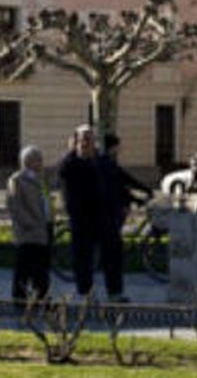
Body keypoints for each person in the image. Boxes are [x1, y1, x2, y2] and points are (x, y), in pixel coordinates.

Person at [57, 124, 117, 299]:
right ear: (76, 141)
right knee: (83, 257)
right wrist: (72, 152)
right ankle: (85, 291)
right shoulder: (70, 162)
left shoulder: (101, 160)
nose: (87, 143)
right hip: (81, 218)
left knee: (111, 255)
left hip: (103, 216)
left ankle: (114, 291)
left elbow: (113, 180)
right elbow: (62, 173)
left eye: (90, 139)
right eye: (83, 139)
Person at [96, 134, 153, 302]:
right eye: (118, 146)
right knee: (113, 256)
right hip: (109, 216)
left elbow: (124, 181)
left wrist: (141, 193)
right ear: (113, 147)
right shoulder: (106, 164)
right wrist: (139, 196)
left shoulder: (107, 163)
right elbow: (121, 184)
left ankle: (115, 291)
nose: (120, 149)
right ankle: (114, 293)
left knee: (113, 255)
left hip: (113, 213)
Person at [7, 145, 51, 302]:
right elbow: (15, 205)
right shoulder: (17, 180)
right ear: (28, 162)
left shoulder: (41, 179)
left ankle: (42, 296)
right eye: (37, 160)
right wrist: (29, 223)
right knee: (24, 266)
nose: (41, 163)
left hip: (42, 229)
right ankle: (19, 297)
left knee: (41, 266)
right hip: (28, 231)